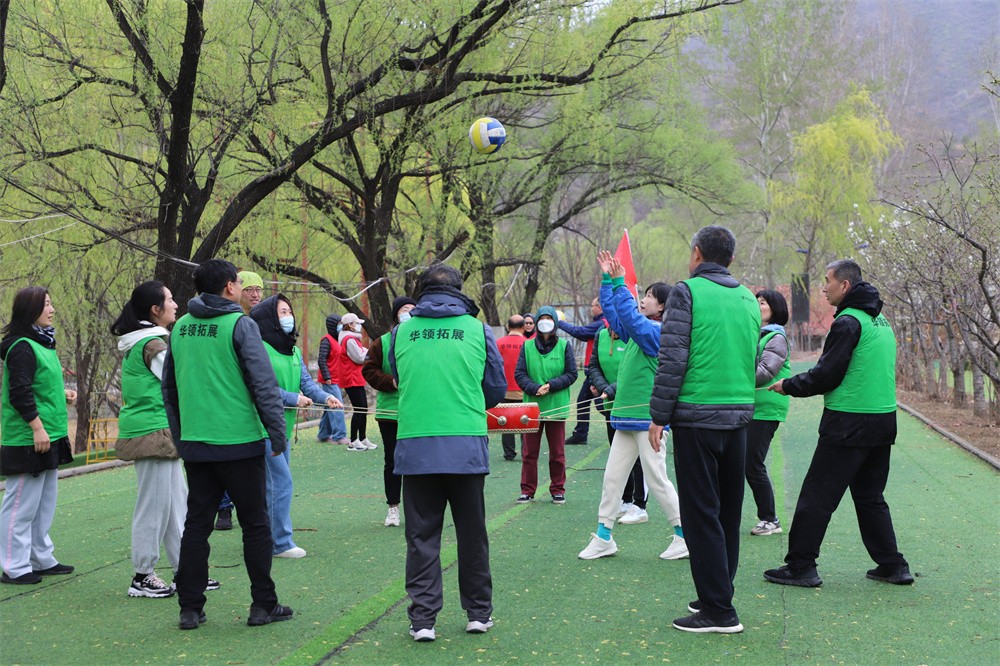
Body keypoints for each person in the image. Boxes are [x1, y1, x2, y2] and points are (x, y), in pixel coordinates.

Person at [763, 260, 912, 588]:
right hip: (883, 421)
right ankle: (893, 565)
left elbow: (826, 375)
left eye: (827, 281)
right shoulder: (880, 320)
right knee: (870, 496)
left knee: (816, 496)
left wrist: (789, 385)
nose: (823, 287)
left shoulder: (847, 322)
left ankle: (801, 566)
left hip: (848, 423)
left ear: (845, 286)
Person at [162, 259, 293, 629]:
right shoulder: (240, 324)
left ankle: (190, 608)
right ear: (229, 287)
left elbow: (169, 389)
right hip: (239, 442)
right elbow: (263, 384)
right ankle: (263, 604)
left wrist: (181, 436)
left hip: (197, 443)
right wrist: (277, 433)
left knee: (196, 526)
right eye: (238, 282)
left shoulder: (180, 327)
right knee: (255, 525)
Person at [649, 225, 760, 634]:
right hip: (738, 418)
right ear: (730, 258)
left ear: (697, 253)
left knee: (701, 514)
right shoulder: (748, 297)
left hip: (698, 418)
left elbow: (673, 358)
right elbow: (751, 357)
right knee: (727, 512)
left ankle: (718, 610)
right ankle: (719, 592)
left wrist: (658, 415)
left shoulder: (687, 292)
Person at [388, 264, 506, 641]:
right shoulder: (477, 329)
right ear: (459, 290)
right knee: (472, 534)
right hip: (466, 445)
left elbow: (397, 375)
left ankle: (423, 620)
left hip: (415, 445)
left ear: (421, 291)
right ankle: (478, 613)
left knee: (421, 538)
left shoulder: (401, 332)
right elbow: (495, 388)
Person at [113, 281, 222, 598]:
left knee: (176, 504)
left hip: (162, 432)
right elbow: (180, 382)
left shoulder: (150, 341)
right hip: (151, 433)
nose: (176, 304)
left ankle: (186, 570)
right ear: (155, 309)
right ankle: (142, 575)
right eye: (170, 300)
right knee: (154, 507)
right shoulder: (152, 344)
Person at [579, 255, 686, 561]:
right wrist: (608, 281)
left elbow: (629, 316)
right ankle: (604, 536)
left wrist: (621, 282)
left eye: (649, 296)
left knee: (657, 480)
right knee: (612, 479)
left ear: (662, 306)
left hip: (648, 422)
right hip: (625, 418)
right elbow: (615, 316)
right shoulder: (639, 331)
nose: (644, 299)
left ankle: (684, 536)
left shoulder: (657, 333)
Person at [250, 294, 343, 559]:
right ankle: (280, 543)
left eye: (289, 311)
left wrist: (325, 397)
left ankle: (265, 538)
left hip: (282, 427)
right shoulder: (258, 349)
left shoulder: (293, 350)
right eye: (282, 312)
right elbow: (260, 387)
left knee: (272, 485)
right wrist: (293, 399)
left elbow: (307, 383)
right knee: (281, 483)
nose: (288, 316)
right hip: (262, 427)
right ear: (269, 318)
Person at [1, 287, 76, 585]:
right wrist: (37, 428)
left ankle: (40, 557)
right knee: (20, 505)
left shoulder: (42, 343)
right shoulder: (22, 347)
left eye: (51, 303)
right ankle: (13, 565)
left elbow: (36, 385)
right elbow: (19, 392)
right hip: (28, 438)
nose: (52, 309)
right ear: (30, 310)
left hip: (50, 434)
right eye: (46, 304)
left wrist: (63, 393)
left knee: (43, 503)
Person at [215, 269, 267, 531]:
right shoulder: (230, 322)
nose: (255, 294)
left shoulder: (264, 321)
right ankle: (224, 508)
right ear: (234, 289)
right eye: (249, 289)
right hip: (229, 400)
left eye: (259, 290)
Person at [362, 296, 417, 528]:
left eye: (413, 309)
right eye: (404, 309)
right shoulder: (382, 342)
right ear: (396, 315)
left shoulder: (422, 340)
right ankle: (393, 507)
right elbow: (368, 369)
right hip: (389, 412)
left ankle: (416, 508)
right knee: (392, 460)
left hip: (417, 410)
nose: (408, 313)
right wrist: (390, 381)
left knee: (417, 460)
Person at [514, 306, 577, 504]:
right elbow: (520, 374)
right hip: (532, 408)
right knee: (529, 452)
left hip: (557, 406)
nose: (545, 322)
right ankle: (527, 490)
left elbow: (571, 374)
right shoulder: (527, 347)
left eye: (549, 318)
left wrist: (551, 385)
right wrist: (534, 388)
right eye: (542, 318)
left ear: (555, 323)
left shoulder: (564, 346)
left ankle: (558, 489)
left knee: (557, 453)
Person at [745, 289, 791, 537]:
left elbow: (764, 372)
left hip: (766, 409)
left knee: (752, 462)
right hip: (750, 406)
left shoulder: (776, 337)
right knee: (746, 462)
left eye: (762, 303)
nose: (757, 306)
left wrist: (734, 378)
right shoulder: (756, 334)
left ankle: (770, 518)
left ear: (775, 309)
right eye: (756, 302)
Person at [560, 298, 606, 445]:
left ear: (599, 307)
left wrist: (560, 323)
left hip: (597, 372)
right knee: (582, 402)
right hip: (591, 371)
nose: (591, 308)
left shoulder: (602, 323)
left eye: (592, 306)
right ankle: (580, 434)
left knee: (602, 405)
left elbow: (580, 332)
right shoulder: (599, 323)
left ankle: (620, 426)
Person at [494, 314, 528, 461]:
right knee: (525, 421)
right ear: (523, 327)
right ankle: (526, 451)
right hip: (524, 390)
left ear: (508, 327)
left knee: (506, 421)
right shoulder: (528, 344)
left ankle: (509, 452)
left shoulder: (498, 343)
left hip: (504, 390)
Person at [339, 312, 374, 451]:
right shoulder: (349, 340)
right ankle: (353, 440)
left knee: (363, 408)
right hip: (351, 378)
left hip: (356, 377)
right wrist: (367, 353)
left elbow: (361, 353)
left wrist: (365, 351)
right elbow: (359, 358)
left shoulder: (352, 339)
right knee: (359, 409)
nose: (359, 325)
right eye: (356, 323)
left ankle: (363, 437)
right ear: (350, 325)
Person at [316, 314, 349, 445]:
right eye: (339, 323)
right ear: (332, 325)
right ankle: (339, 436)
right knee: (337, 406)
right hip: (329, 380)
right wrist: (327, 377)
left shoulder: (338, 340)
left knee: (329, 406)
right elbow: (321, 359)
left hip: (336, 378)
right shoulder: (326, 340)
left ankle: (323, 434)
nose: (341, 326)